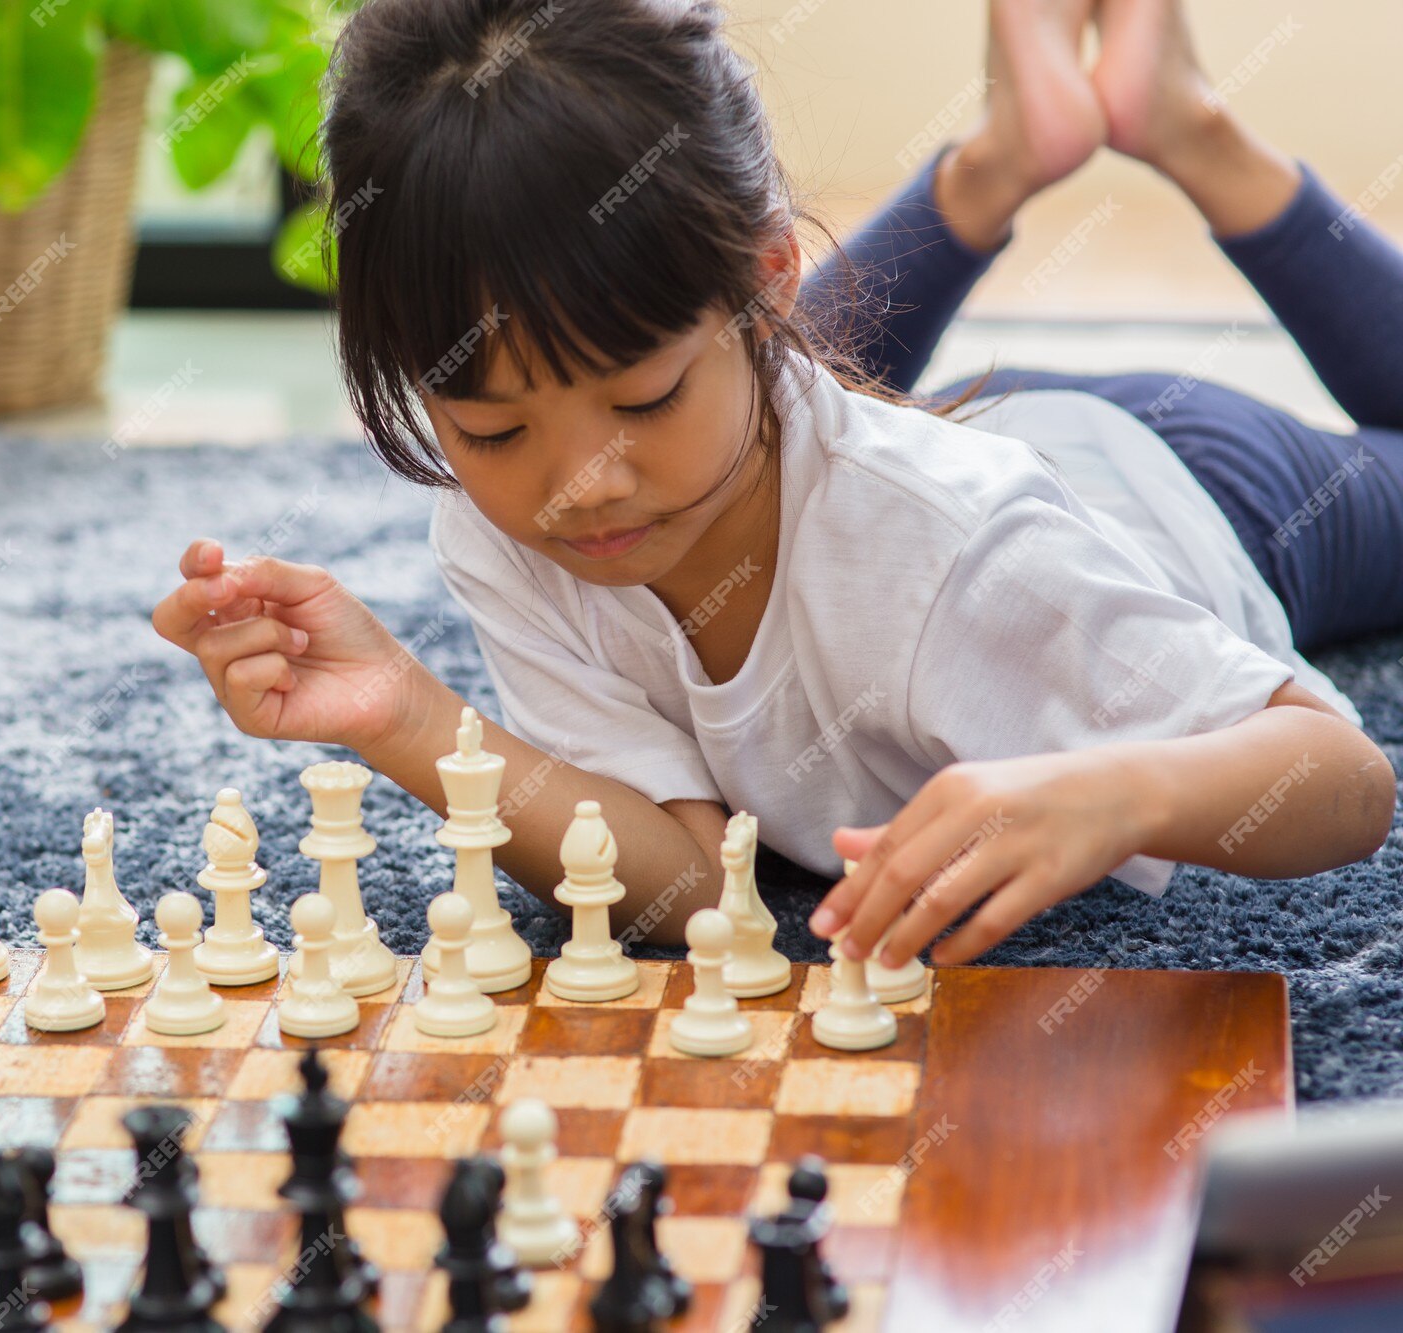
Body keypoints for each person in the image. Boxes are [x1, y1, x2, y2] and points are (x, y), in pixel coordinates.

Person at [151, 0, 1399, 962]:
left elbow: (1340, 780)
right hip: (896, 435)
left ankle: (1187, 128)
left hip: (1181, 482)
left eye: (635, 403)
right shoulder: (511, 520)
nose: (575, 485)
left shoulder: (961, 550)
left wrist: (1117, 791)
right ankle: (1002, 157)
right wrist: (408, 717)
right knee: (710, 381)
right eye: (486, 428)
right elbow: (694, 885)